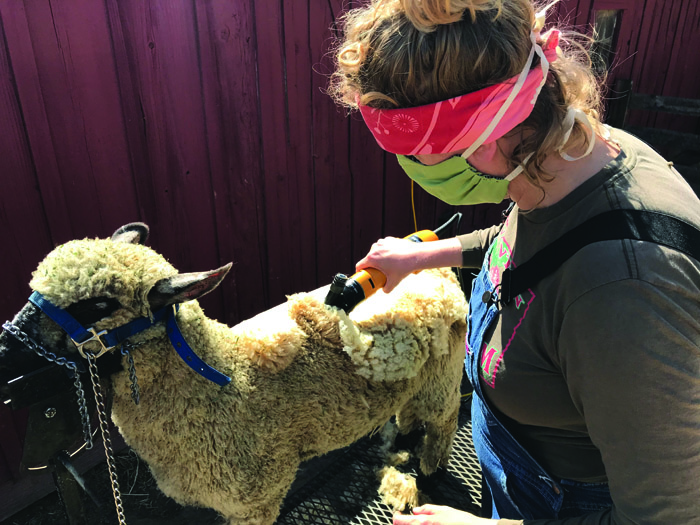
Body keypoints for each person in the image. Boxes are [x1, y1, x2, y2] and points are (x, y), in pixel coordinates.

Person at [328, 0, 700, 523]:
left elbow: (666, 517)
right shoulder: (569, 157)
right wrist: (426, 254)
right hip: (524, 473)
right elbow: (537, 246)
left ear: (484, 140)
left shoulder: (626, 295)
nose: (408, 167)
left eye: (412, 154)